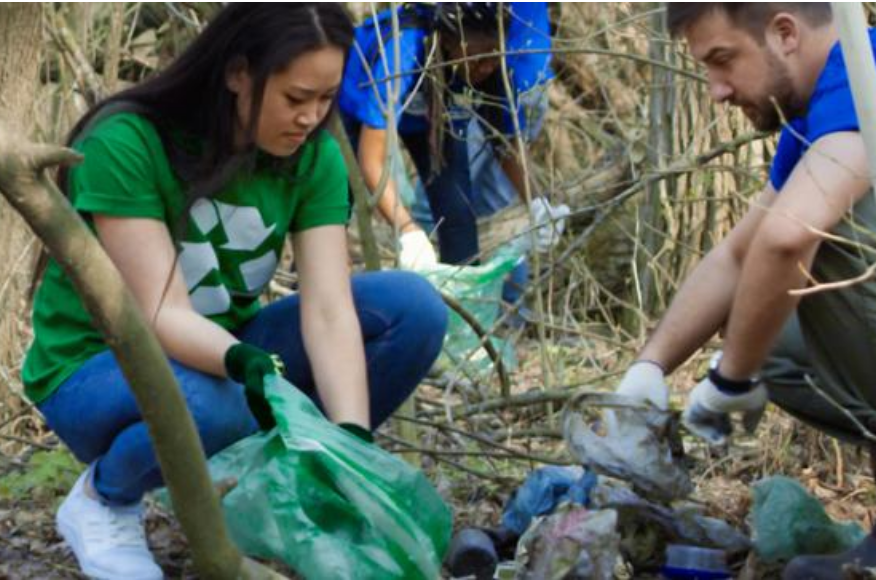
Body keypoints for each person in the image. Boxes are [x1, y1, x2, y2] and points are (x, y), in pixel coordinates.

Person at [22, 4, 447, 578]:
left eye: (326, 99)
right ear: (237, 73)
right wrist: (244, 362)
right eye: (296, 98)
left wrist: (350, 441)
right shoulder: (128, 142)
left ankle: (299, 490)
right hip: (97, 367)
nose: (310, 118)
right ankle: (104, 499)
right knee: (218, 401)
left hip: (217, 352)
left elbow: (330, 310)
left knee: (412, 310)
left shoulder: (313, 155)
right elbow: (160, 313)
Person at [612, 4, 876, 578]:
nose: (716, 91)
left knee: (824, 238)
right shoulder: (819, 110)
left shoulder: (867, 79)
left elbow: (786, 238)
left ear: (784, 33)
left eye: (723, 60)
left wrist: (731, 379)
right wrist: (647, 371)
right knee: (767, 331)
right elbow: (737, 256)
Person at [339, 2, 568, 312]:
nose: (486, 67)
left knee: (457, 212)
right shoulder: (404, 51)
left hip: (432, 116)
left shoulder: (491, 64)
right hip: (355, 104)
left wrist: (538, 203)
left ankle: (462, 319)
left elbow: (507, 144)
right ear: (447, 41)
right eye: (479, 59)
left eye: (494, 57)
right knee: (336, 204)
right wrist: (408, 231)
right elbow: (371, 160)